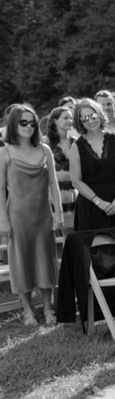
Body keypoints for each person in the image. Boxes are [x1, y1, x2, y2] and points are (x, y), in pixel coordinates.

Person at [0, 104, 62, 325]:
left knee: (45, 260)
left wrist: (58, 213)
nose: (28, 126)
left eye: (31, 122)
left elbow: (53, 184)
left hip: (43, 214)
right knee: (21, 262)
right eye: (22, 122)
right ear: (13, 124)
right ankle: (27, 310)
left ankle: (48, 308)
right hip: (17, 215)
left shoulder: (44, 150)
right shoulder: (4, 152)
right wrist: (3, 221)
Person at [69, 98, 115, 232]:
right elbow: (76, 181)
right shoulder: (76, 146)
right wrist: (98, 202)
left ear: (99, 114)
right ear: (79, 122)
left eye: (92, 116)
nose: (90, 121)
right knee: (94, 250)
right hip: (91, 206)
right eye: (85, 119)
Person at [42, 106, 78, 229]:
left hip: (73, 194)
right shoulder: (45, 143)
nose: (69, 121)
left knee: (72, 232)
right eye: (65, 118)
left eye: (71, 118)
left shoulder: (76, 142)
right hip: (53, 195)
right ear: (55, 120)